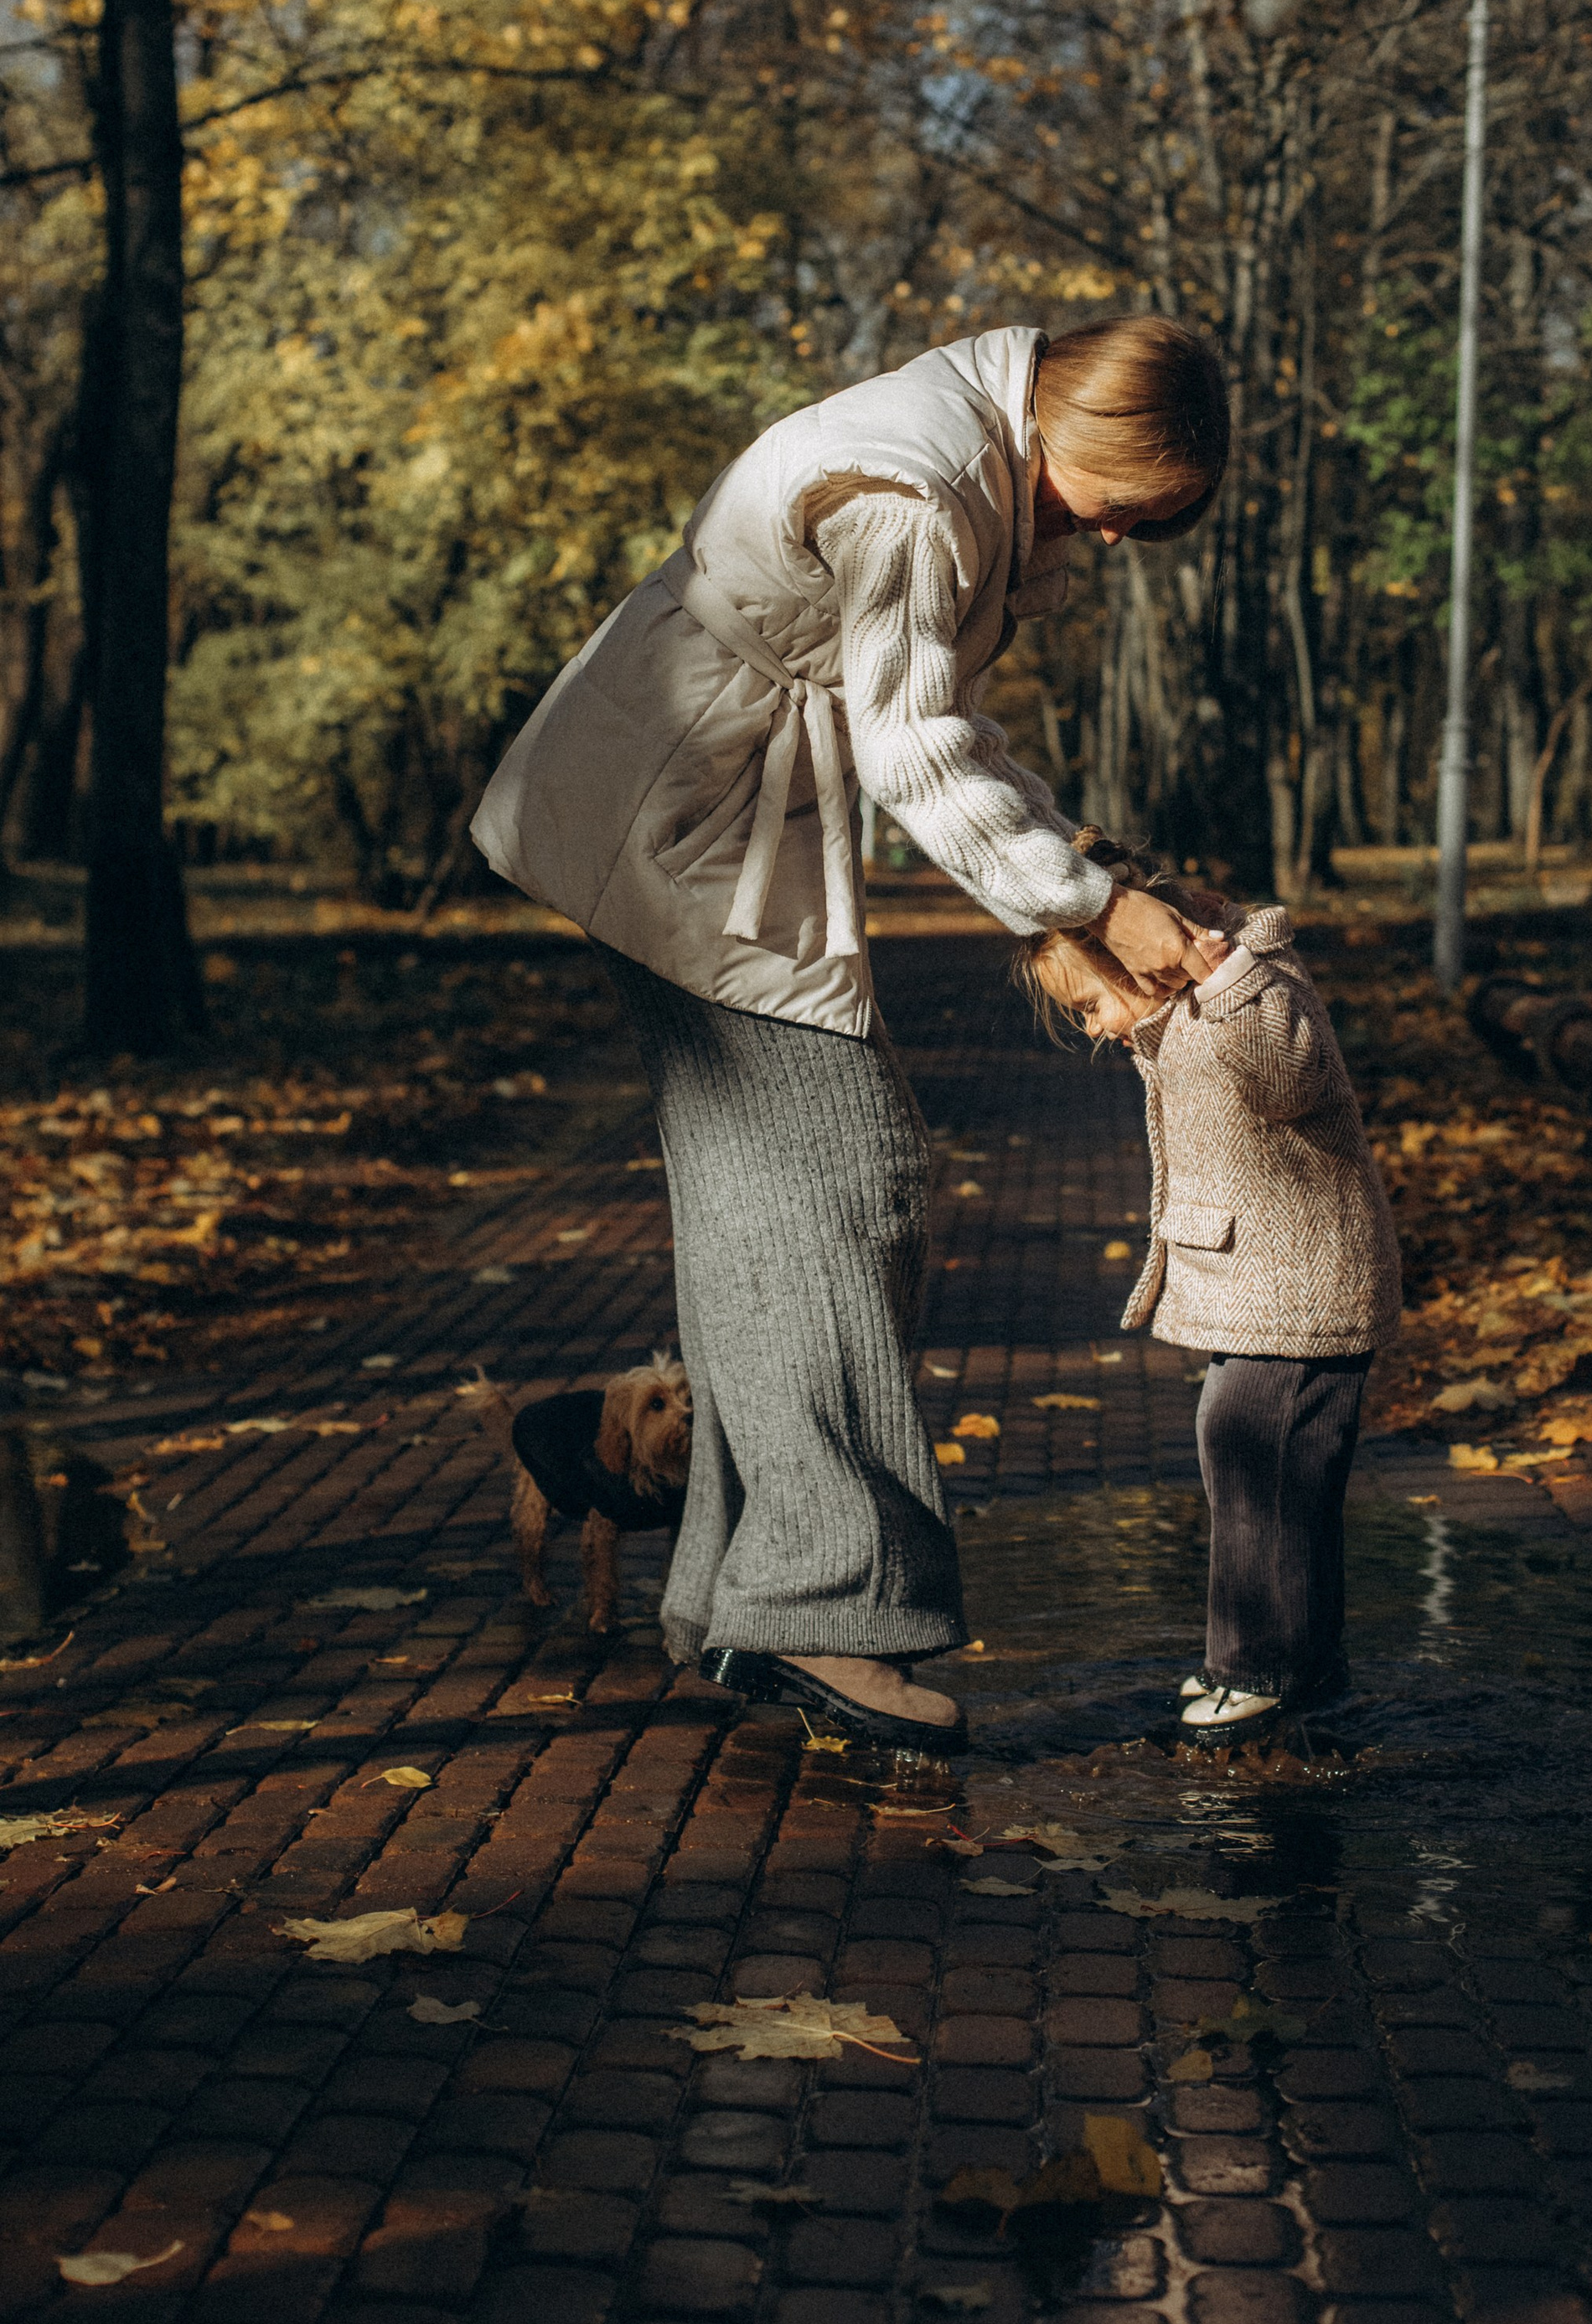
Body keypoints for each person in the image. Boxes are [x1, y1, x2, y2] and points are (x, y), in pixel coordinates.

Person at [471, 319, 1228, 1747]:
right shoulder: (917, 496)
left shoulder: (957, 458)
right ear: (1081, 436)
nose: (1119, 543)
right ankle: (822, 1609)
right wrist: (1086, 903)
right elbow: (910, 747)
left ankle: (736, 1601)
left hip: (690, 808)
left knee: (765, 1203)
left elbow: (938, 721)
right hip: (682, 824)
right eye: (1129, 507)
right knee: (846, 1180)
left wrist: (1088, 861)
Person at [1015, 833, 1402, 1738]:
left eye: (1088, 1005)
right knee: (1284, 1479)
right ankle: (1308, 1667)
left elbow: (1289, 1078)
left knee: (1247, 1448)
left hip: (1307, 1287)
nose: (1093, 1028)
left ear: (1140, 955)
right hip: (1269, 1286)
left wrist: (1225, 976)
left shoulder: (1253, 988)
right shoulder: (1186, 1008)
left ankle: (1256, 1666)